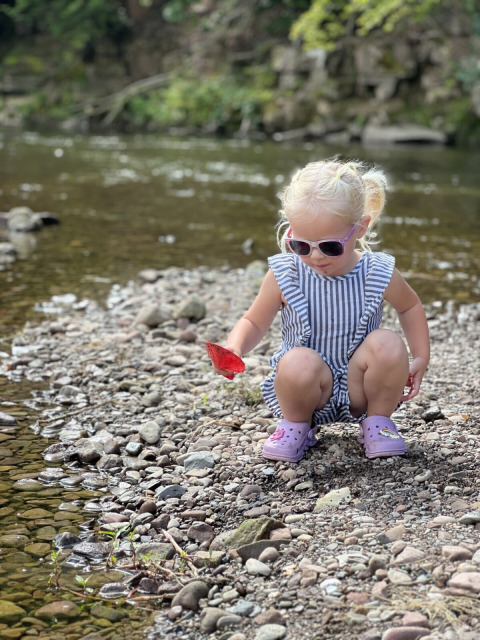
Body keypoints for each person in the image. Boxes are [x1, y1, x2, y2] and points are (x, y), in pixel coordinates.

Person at [212, 159, 430, 462]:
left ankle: (378, 421)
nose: (314, 256)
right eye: (300, 245)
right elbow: (254, 321)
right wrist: (234, 346)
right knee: (297, 360)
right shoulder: (285, 273)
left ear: (360, 228)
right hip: (308, 390)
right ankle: (297, 426)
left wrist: (420, 355)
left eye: (329, 246)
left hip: (361, 388)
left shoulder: (376, 271)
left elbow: (410, 306)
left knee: (388, 343)